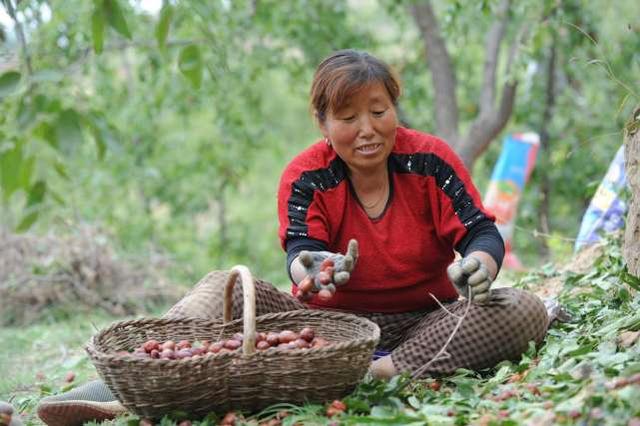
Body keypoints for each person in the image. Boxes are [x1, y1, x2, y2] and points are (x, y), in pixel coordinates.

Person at [36, 49, 548, 426]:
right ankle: (131, 376)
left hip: (424, 323)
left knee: (523, 309)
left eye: (379, 110)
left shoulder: (430, 160)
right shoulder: (307, 174)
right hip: (324, 328)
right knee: (222, 286)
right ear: (323, 122)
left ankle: (373, 374)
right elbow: (300, 251)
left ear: (395, 107)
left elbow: (481, 230)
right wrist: (313, 267)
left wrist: (481, 261)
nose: (367, 129)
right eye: (347, 118)